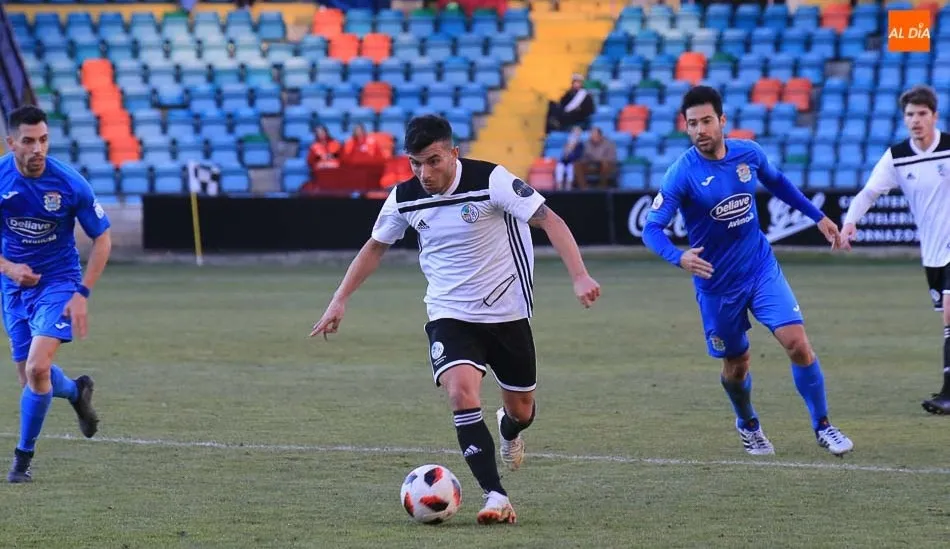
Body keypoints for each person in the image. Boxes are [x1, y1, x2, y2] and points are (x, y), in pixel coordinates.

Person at [310, 114, 601, 523]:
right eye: (415, 163)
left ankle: (509, 430)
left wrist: (580, 275)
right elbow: (374, 247)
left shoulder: (491, 181)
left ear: (453, 153)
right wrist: (339, 299)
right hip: (449, 313)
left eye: (433, 161)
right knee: (461, 394)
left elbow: (549, 220)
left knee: (521, 410)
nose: (424, 173)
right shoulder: (405, 197)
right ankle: (495, 496)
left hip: (507, 313)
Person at [642, 86, 854, 457]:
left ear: (722, 120)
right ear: (685, 127)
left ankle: (823, 426)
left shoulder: (748, 154)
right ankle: (748, 424)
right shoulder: (682, 173)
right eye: (693, 124)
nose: (700, 130)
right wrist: (679, 257)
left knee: (798, 344)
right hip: (717, 285)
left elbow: (778, 182)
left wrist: (817, 216)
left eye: (707, 121)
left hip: (759, 268)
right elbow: (651, 228)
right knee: (737, 364)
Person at [0, 105, 112, 483]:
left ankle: (22, 461)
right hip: (14, 287)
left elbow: (102, 239)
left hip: (59, 282)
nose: (38, 149)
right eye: (29, 141)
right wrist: (9, 268)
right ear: (11, 142)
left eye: (44, 140)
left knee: (37, 368)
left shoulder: (69, 183)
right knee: (31, 380)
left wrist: (82, 293)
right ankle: (77, 391)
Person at [840, 85, 950, 415]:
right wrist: (850, 222)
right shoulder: (898, 156)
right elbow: (868, 193)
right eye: (910, 115)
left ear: (934, 116)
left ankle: (948, 394)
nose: (916, 120)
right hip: (933, 253)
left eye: (922, 114)